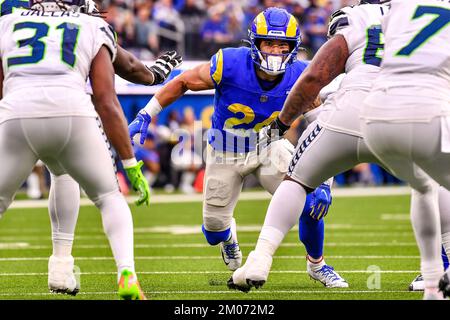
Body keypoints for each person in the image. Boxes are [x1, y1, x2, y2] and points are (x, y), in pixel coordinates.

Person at [227, 0, 450, 300]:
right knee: (431, 185)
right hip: (409, 110)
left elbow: (316, 76)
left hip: (351, 110)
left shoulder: (357, 15)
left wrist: (283, 121)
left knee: (296, 181)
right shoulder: (434, 11)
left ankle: (260, 259)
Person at [129, 7, 347, 288]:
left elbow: (322, 131)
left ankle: (317, 264)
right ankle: (228, 235)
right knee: (214, 231)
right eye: (270, 42)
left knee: (310, 201)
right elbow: (183, 81)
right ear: (255, 43)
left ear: (293, 49)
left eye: (283, 45)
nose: (276, 51)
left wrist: (323, 183)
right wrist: (147, 113)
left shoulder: (300, 75)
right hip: (224, 150)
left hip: (270, 146)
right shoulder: (229, 63)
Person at [0, 0, 182, 296]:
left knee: (38, 184)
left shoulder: (8, 21)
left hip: (17, 112)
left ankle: (61, 267)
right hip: (73, 114)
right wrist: (131, 163)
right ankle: (127, 275)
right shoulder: (91, 24)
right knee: (109, 197)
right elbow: (108, 100)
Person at [360, 0, 450, 299]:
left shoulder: (396, 10)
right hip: (428, 110)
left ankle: (433, 283)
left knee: (424, 186)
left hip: (375, 117)